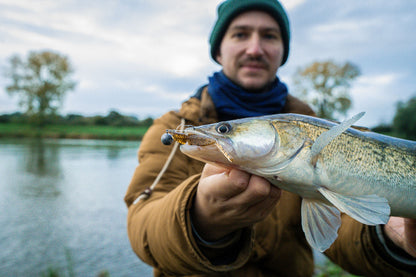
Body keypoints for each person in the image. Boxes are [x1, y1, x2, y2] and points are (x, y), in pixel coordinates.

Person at [124, 0, 416, 276]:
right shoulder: (177, 125)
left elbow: (342, 231)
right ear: (218, 51)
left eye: (269, 36)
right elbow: (141, 229)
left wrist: (389, 235)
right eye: (240, 34)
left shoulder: (320, 128)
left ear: (282, 51)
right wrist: (200, 217)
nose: (255, 48)